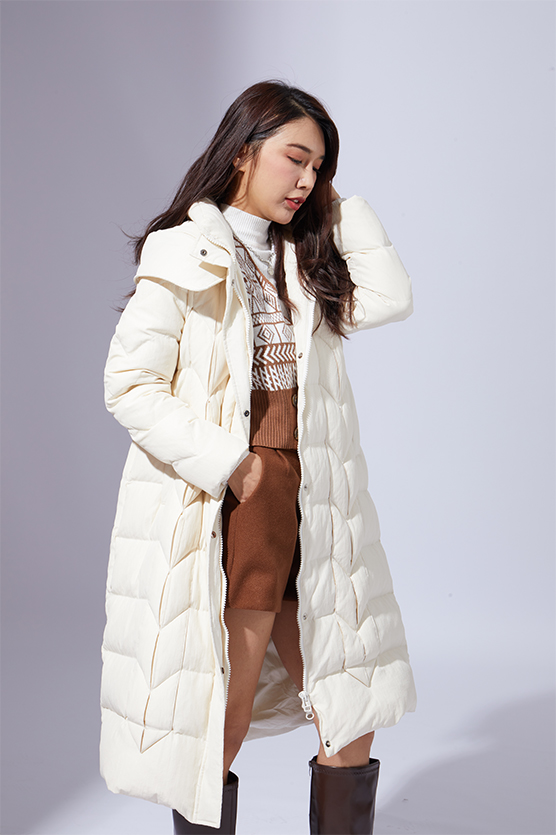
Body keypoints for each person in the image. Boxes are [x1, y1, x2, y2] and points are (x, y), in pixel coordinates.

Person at [100, 80, 417, 835]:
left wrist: (335, 204)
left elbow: (392, 296)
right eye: (295, 159)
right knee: (224, 715)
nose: (306, 179)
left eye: (320, 167)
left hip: (319, 495)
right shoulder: (183, 251)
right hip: (245, 496)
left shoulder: (308, 260)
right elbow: (130, 384)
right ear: (242, 152)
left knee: (351, 713)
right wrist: (234, 466)